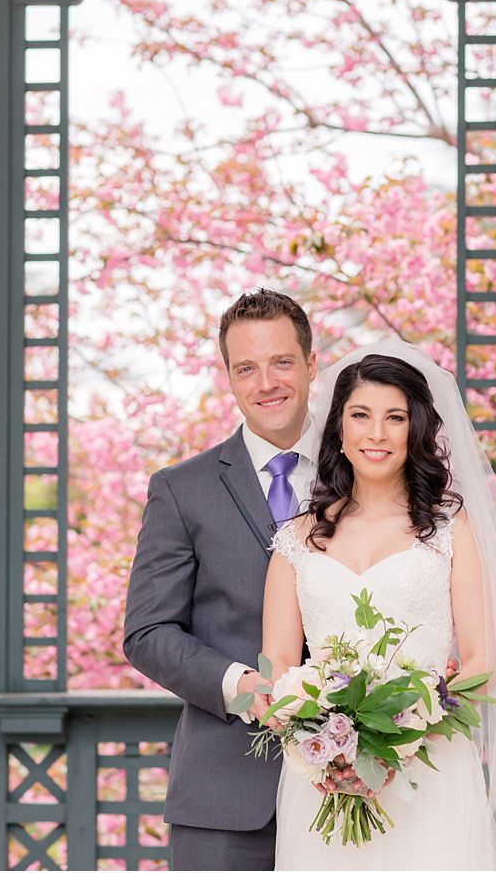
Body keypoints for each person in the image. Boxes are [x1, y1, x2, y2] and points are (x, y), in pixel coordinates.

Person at [266, 344, 496, 868]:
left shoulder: (451, 531)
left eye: (395, 418)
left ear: (417, 430)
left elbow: (481, 661)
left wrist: (402, 734)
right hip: (323, 784)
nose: (376, 433)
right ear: (338, 428)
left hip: (429, 772)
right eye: (360, 416)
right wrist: (330, 751)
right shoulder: (296, 540)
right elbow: (278, 671)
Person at [124, 289, 321, 870]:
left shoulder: (365, 473)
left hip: (361, 788)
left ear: (311, 365)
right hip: (226, 801)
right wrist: (241, 686)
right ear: (229, 379)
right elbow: (147, 631)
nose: (267, 383)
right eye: (246, 368)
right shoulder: (183, 490)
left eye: (282, 362)